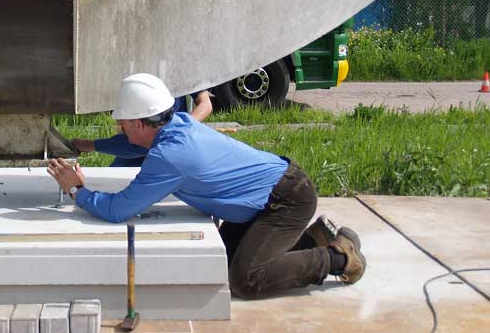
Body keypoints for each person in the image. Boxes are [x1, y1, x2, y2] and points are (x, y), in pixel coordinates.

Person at [47, 73, 365, 299]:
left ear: (140, 124)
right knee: (221, 260)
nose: (120, 128)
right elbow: (133, 146)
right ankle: (311, 239)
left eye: (123, 124)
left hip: (285, 200)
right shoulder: (177, 124)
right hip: (271, 195)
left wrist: (78, 191)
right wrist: (86, 145)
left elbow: (119, 210)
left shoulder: (170, 156)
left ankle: (339, 257)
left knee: (247, 280)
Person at [70, 90, 213, 167]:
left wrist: (179, 130)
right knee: (111, 181)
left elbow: (205, 104)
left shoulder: (178, 63)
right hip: (137, 142)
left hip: (166, 146)